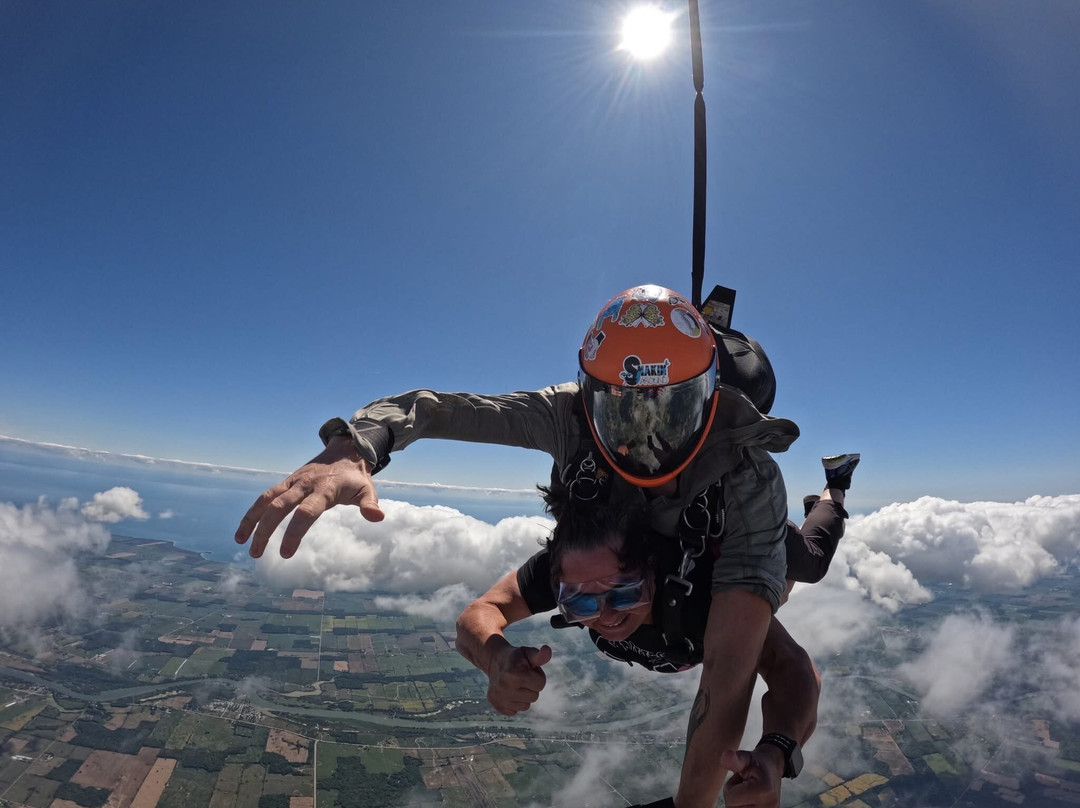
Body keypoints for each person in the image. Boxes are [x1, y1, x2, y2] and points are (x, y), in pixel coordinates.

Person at [236, 284, 800, 806]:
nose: (644, 446)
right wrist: (357, 446)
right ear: (591, 399)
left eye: (669, 414)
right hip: (616, 541)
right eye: (622, 413)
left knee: (808, 561)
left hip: (721, 550)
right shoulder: (567, 422)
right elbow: (439, 409)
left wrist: (755, 764)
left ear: (706, 399)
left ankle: (832, 498)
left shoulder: (746, 480)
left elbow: (730, 683)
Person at [455, 478, 833, 807]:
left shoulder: (709, 597)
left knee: (803, 570)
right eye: (581, 604)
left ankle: (833, 492)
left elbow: (794, 669)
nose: (606, 616)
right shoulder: (572, 566)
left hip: (761, 547)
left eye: (623, 594)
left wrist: (777, 752)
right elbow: (481, 611)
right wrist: (494, 656)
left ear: (652, 571)